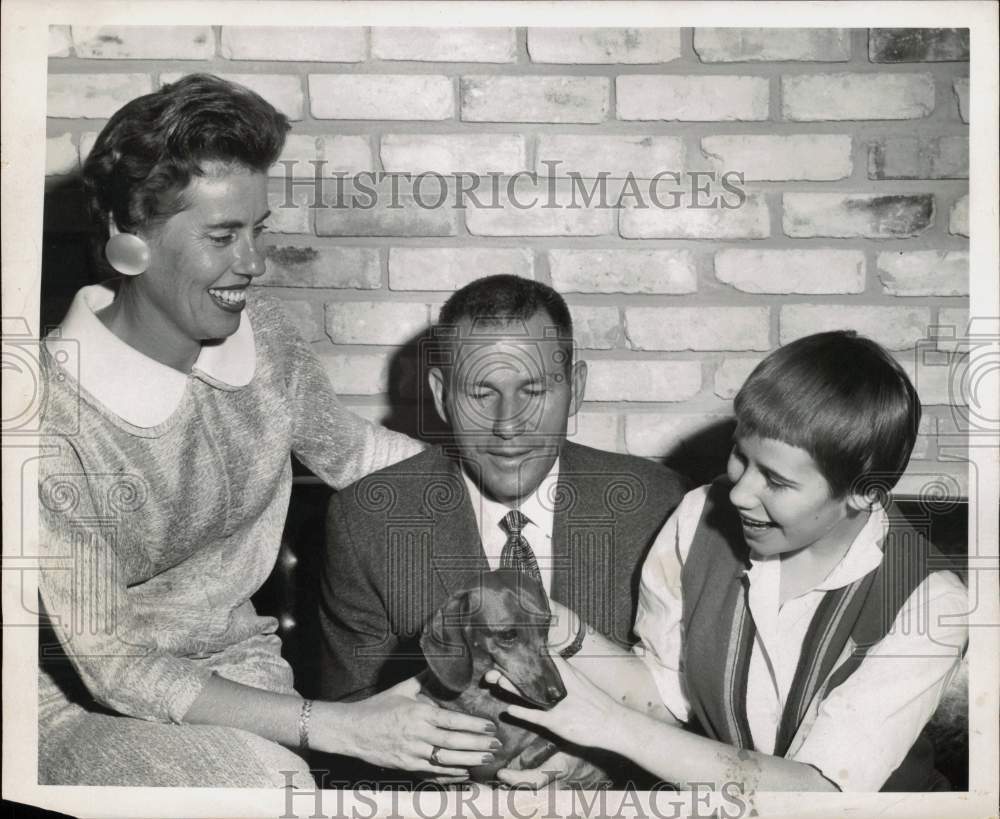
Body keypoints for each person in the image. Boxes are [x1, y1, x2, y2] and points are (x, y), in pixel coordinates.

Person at [36, 73, 497, 787]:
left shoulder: (267, 343)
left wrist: (509, 484)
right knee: (265, 785)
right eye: (222, 236)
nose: (252, 263)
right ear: (127, 243)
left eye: (258, 231)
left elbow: (356, 452)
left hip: (243, 673)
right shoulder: (43, 415)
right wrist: (338, 724)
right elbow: (116, 665)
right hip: (78, 707)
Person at [486, 331, 968, 792]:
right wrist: (566, 632)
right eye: (740, 456)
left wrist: (610, 727)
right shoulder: (699, 515)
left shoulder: (930, 601)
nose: (738, 492)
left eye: (776, 482)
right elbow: (664, 695)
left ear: (863, 494)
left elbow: (820, 793)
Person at [316, 274, 687, 787]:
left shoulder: (660, 506)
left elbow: (704, 712)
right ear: (443, 397)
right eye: (481, 392)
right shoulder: (369, 521)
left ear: (574, 389)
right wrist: (414, 758)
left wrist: (611, 760)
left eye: (532, 390)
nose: (508, 424)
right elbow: (345, 724)